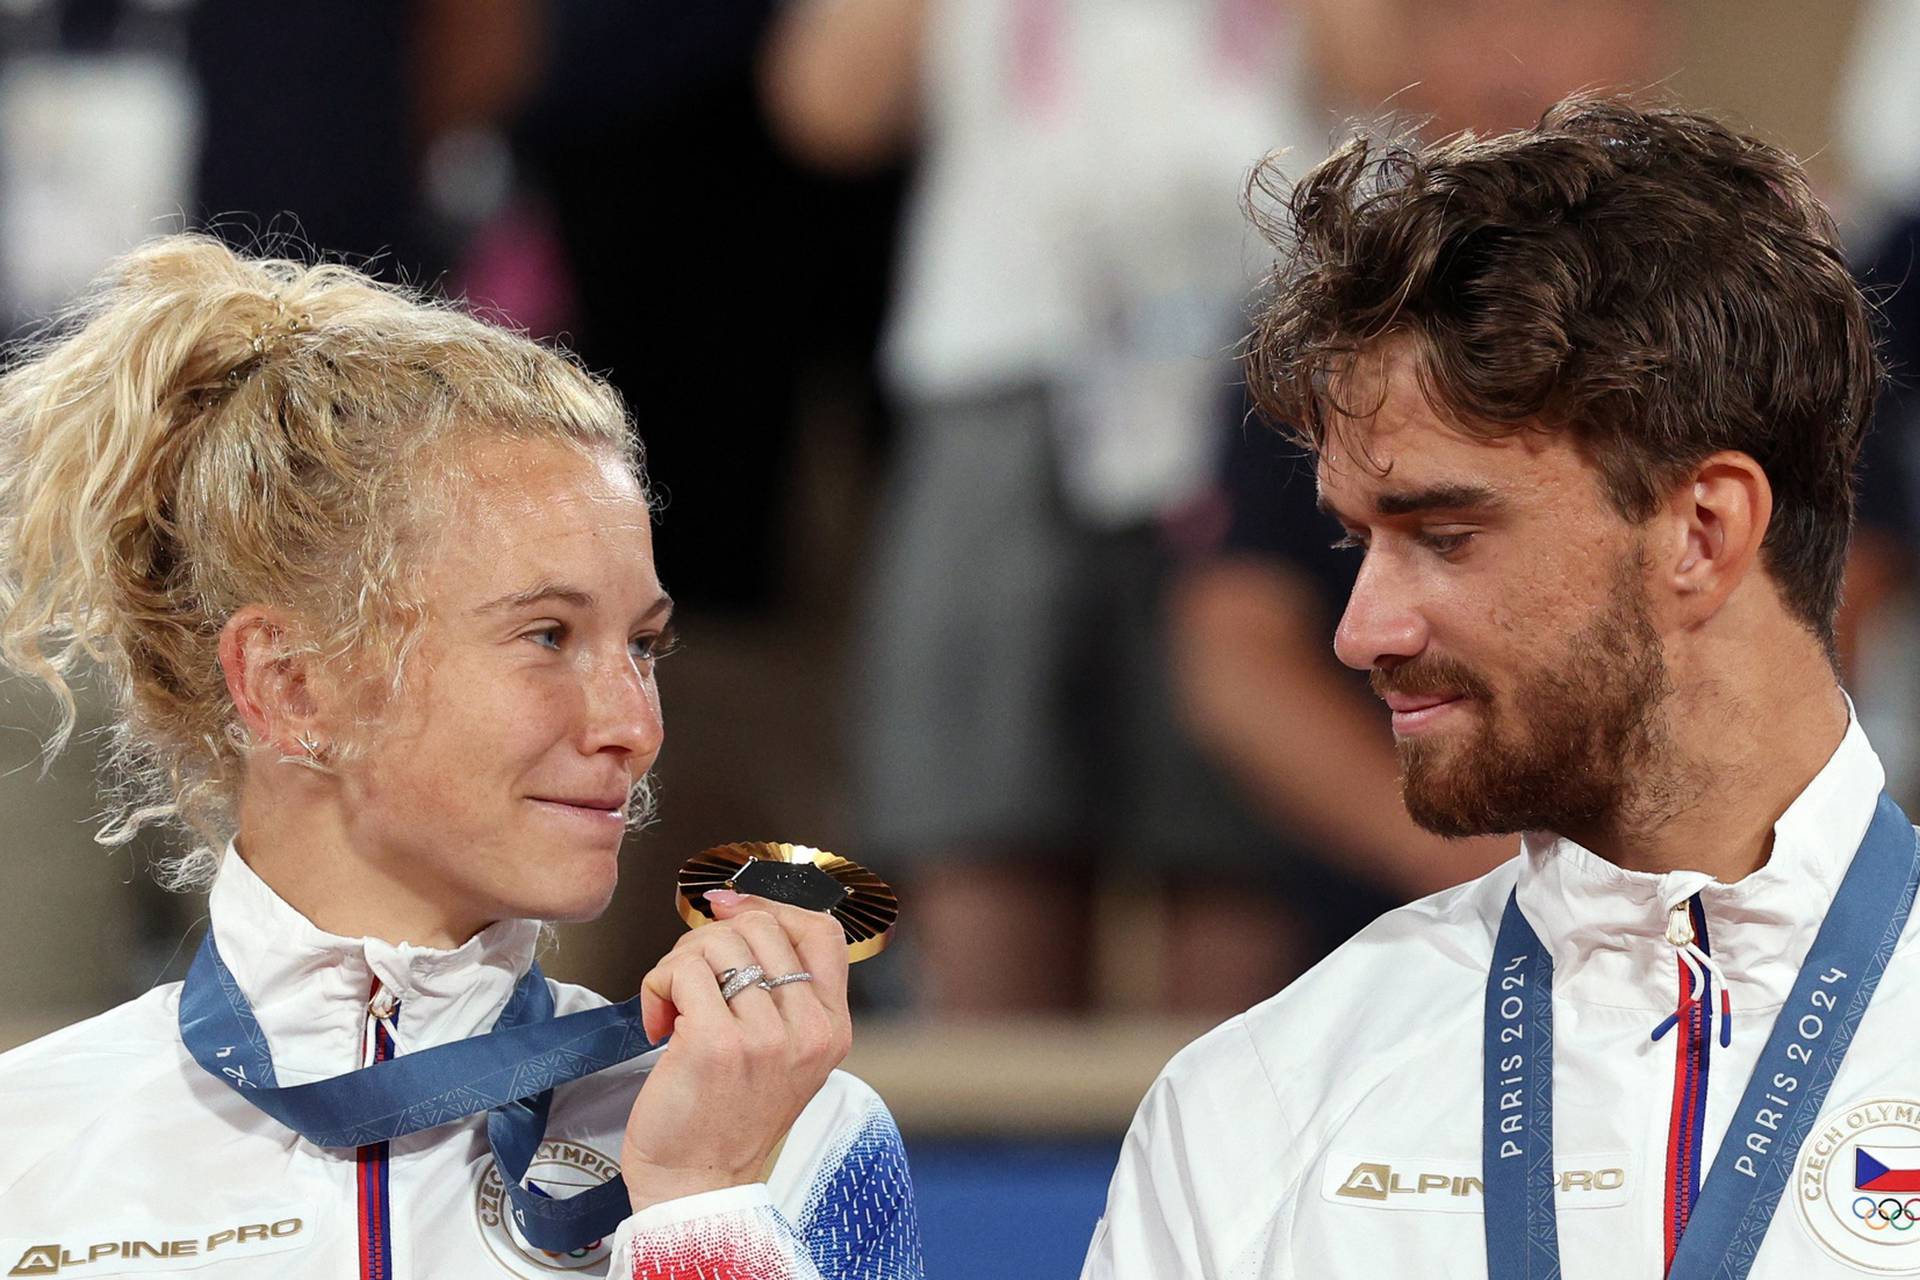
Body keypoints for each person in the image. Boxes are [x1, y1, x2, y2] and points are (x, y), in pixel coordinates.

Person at [1082, 97, 1920, 1278]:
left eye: (1446, 534)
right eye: (1354, 543)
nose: (1363, 630)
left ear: (1703, 529)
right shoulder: (1258, 1103)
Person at [0, 236, 922, 1279]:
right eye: (547, 636)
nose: (635, 721)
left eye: (643, 645)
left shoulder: (791, 1130)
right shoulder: (25, 1157)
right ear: (294, 682)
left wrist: (703, 1202)